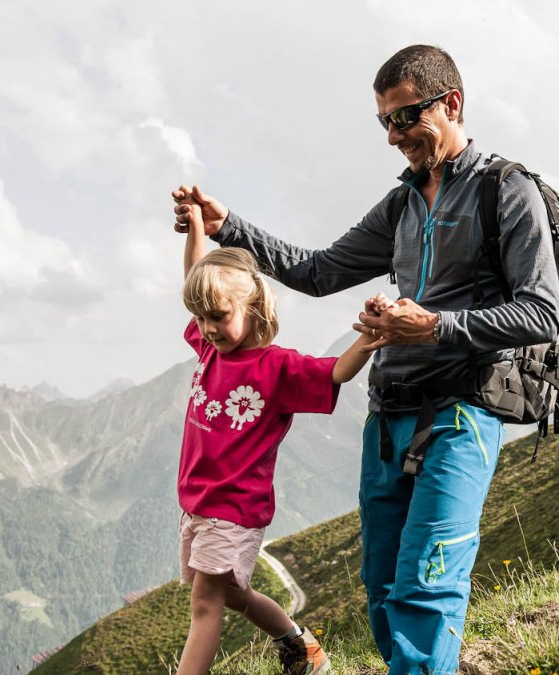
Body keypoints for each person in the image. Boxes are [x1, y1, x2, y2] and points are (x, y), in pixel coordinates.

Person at [171, 45, 559, 673]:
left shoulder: (506, 191)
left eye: (406, 118)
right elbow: (322, 271)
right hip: (388, 415)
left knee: (426, 586)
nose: (394, 136)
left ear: (452, 102)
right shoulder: (402, 204)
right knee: (381, 590)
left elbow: (542, 313)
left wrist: (432, 324)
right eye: (384, 122)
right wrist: (228, 228)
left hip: (462, 411)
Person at [174, 203, 374, 675]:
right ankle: (300, 647)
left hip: (234, 510)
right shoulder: (209, 348)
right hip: (199, 504)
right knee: (233, 595)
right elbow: (197, 276)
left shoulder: (277, 368)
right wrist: (198, 226)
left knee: (206, 605)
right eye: (201, 318)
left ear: (253, 307)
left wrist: (368, 339)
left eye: (219, 316)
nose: (207, 327)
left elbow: (334, 373)